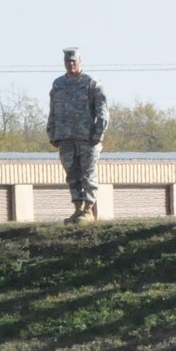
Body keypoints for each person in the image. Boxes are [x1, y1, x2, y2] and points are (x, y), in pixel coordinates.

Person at [46, 47, 107, 224]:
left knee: (87, 173)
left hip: (87, 138)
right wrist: (52, 132)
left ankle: (88, 210)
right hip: (65, 138)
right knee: (72, 174)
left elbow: (102, 110)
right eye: (67, 61)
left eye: (74, 61)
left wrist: (98, 133)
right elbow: (53, 110)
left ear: (80, 61)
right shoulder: (58, 84)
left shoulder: (91, 83)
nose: (71, 64)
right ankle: (77, 208)